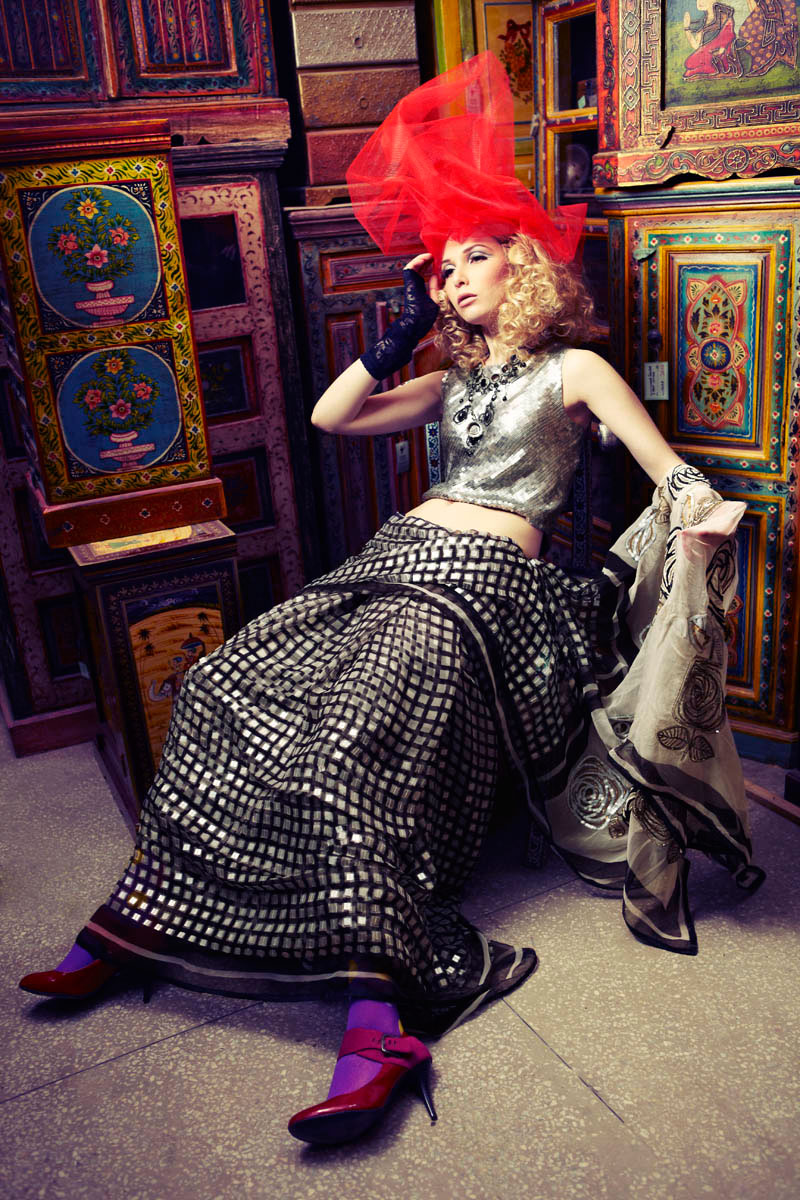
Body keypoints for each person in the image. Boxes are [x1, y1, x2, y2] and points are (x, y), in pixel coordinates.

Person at [18, 53, 762, 1147]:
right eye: (440, 268)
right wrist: (394, 335)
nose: (452, 278)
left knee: (349, 734)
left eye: (474, 257)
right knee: (224, 682)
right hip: (396, 559)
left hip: (489, 588)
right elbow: (333, 418)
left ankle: (377, 1028)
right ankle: (131, 929)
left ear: (526, 262)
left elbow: (670, 472)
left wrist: (705, 514)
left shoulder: (575, 372)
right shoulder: (446, 381)